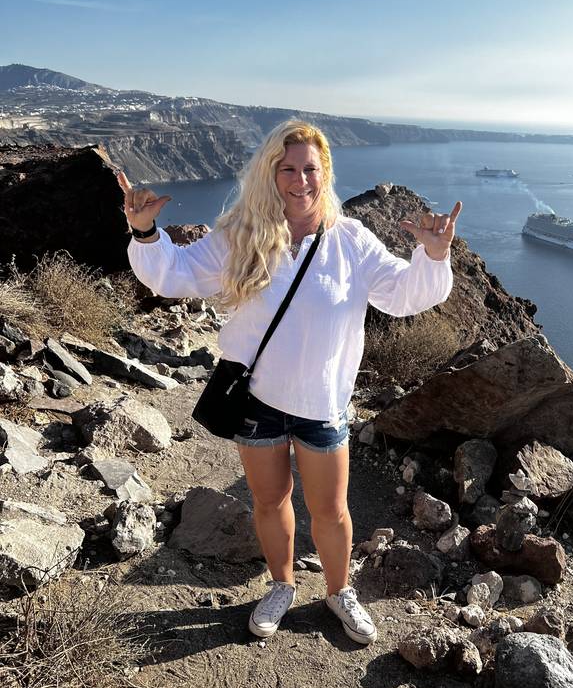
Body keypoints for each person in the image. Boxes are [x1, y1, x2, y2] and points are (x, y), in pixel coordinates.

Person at [119, 120, 461, 646]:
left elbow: (401, 293)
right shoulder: (242, 235)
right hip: (258, 401)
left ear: (324, 174)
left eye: (310, 169)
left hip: (323, 404)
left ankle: (338, 591)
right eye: (288, 169)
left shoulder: (350, 240)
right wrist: (144, 232)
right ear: (270, 174)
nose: (300, 180)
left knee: (331, 511)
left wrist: (433, 256)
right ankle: (280, 585)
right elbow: (175, 274)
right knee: (270, 502)